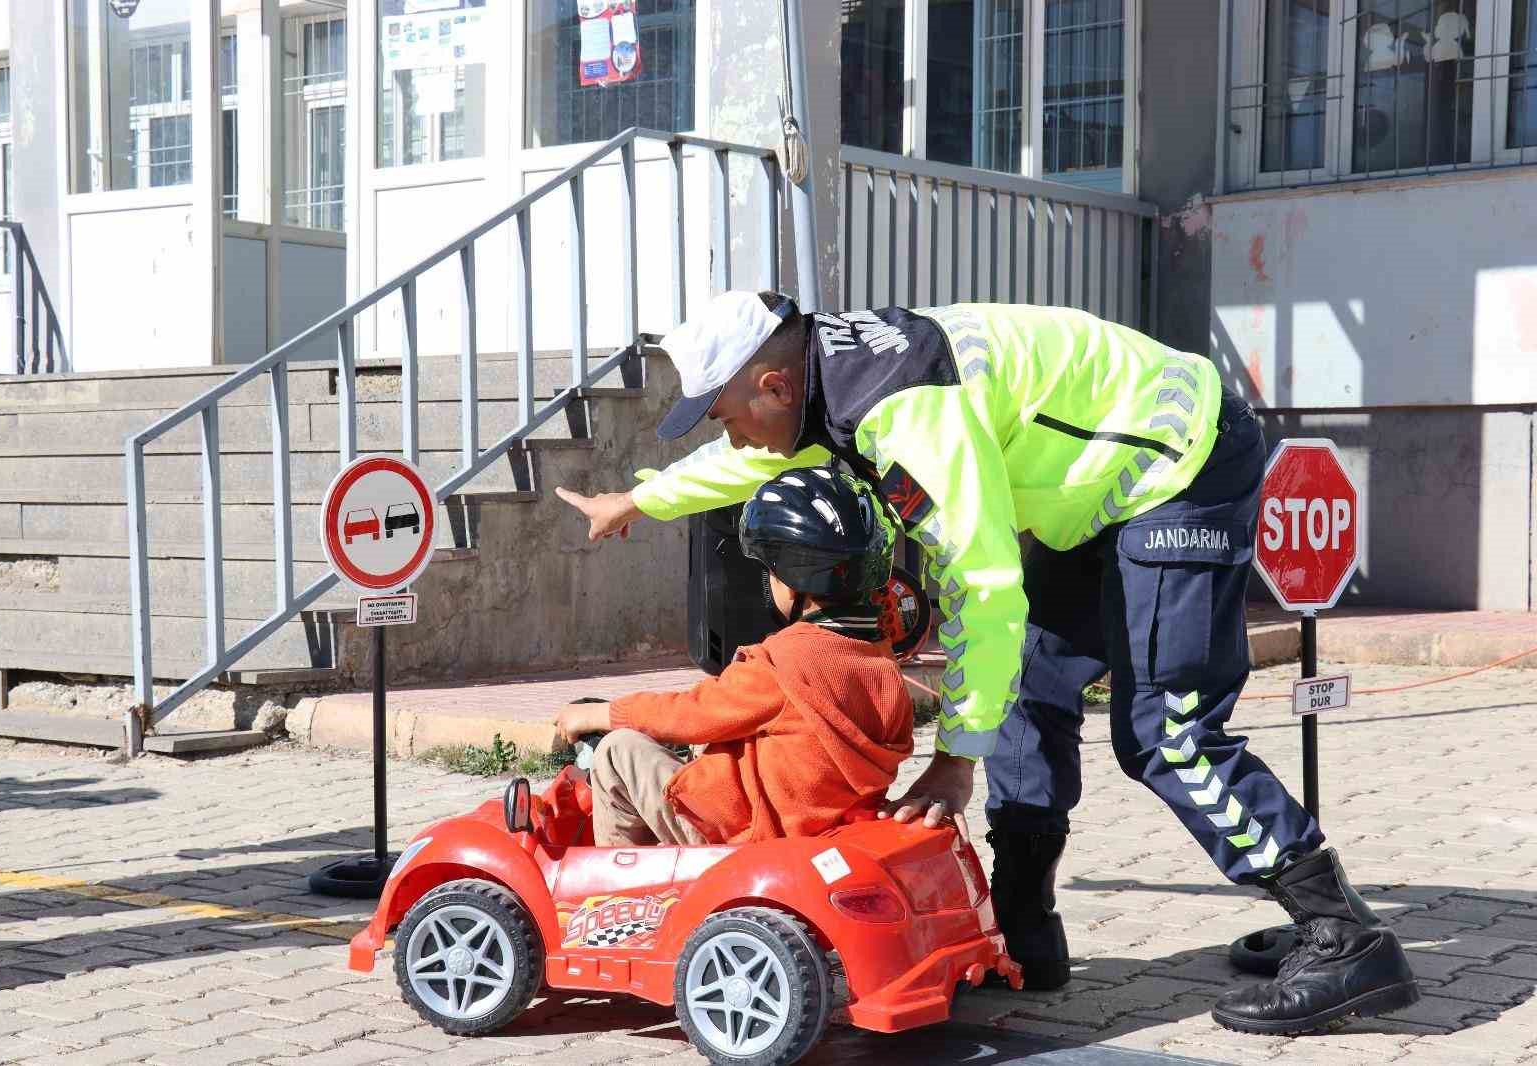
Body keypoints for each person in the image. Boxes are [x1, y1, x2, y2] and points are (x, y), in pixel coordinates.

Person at [556, 290, 1419, 1034]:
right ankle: (1024, 932)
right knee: (1032, 693)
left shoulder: (900, 413)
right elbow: (749, 458)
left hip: (1178, 457)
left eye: (726, 412)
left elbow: (983, 581)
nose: (731, 433)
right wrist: (637, 499)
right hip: (1095, 491)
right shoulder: (822, 385)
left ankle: (1345, 938)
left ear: (772, 384)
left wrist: (956, 759)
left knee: (1166, 731)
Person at [554, 466, 914, 847]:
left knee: (616, 751)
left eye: (770, 571)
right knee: (699, 745)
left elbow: (692, 712)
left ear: (791, 582)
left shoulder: (783, 664)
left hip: (743, 834)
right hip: (813, 821)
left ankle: (618, 894)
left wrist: (602, 714)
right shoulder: (882, 663)